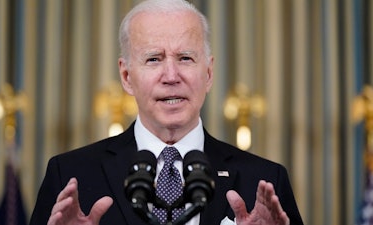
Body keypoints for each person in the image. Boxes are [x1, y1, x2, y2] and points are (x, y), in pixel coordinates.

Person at [30, 0, 304, 225]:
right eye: (154, 59)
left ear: (208, 73)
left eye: (185, 58)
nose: (171, 76)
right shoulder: (70, 176)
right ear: (126, 76)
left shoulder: (264, 182)